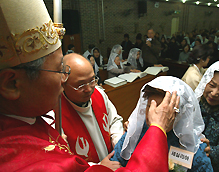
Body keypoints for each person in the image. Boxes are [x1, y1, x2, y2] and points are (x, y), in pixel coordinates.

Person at [0, 0, 182, 171]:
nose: (63, 79)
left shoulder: (29, 119)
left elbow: (113, 120)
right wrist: (157, 127)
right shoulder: (28, 159)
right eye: (58, 71)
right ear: (12, 84)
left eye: (92, 80)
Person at [111, 76, 213, 172]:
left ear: (180, 112)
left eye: (163, 109)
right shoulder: (135, 133)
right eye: (149, 106)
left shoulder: (190, 145)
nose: (152, 114)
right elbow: (116, 160)